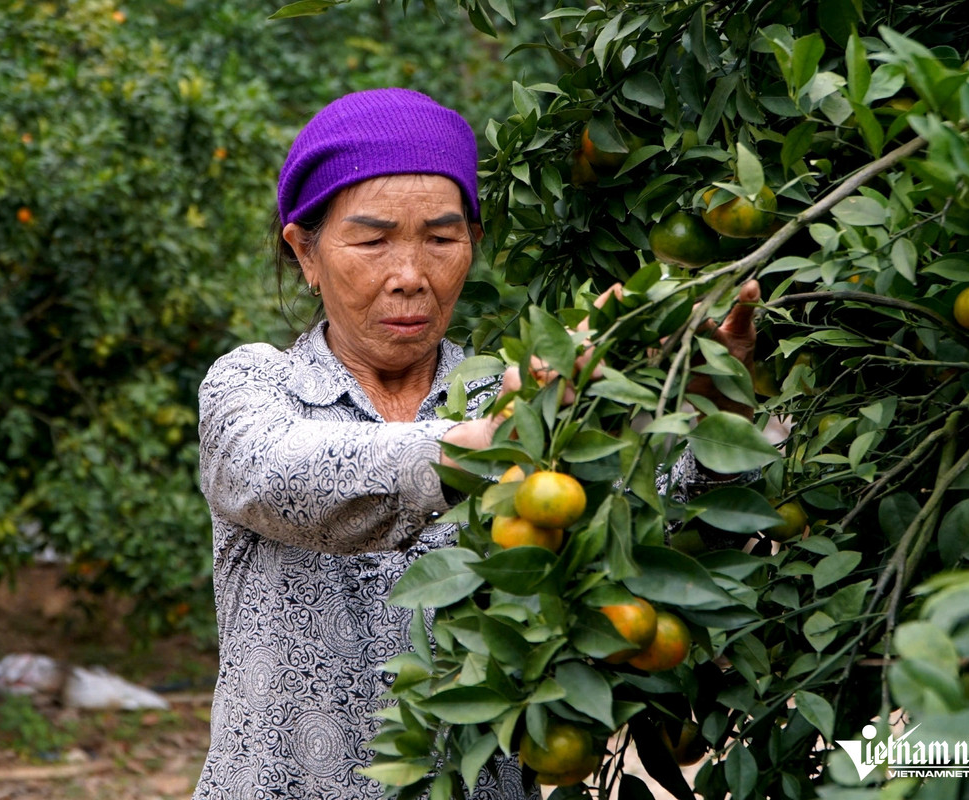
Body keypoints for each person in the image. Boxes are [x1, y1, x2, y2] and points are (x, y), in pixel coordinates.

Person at [192, 88, 758, 799]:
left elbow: (653, 531)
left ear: (473, 245)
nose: (410, 275)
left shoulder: (513, 400)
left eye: (441, 238)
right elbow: (280, 477)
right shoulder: (252, 387)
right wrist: (488, 443)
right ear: (305, 252)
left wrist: (719, 404)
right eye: (372, 241)